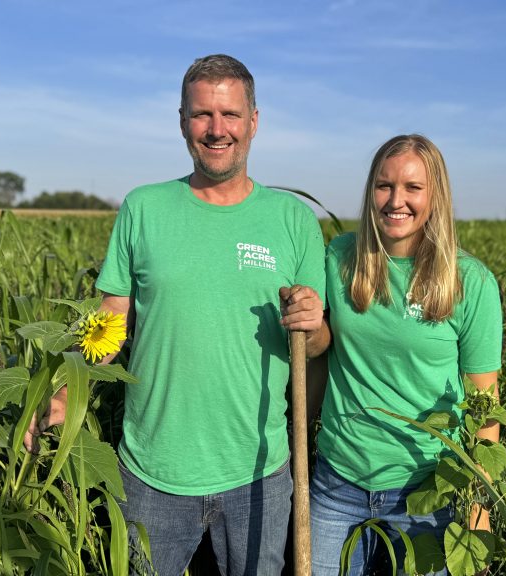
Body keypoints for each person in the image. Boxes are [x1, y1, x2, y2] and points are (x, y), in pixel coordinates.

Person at [23, 54, 329, 576]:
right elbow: (111, 321)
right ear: (182, 120)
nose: (217, 130)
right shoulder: (143, 208)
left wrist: (312, 323)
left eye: (230, 114)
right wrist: (64, 393)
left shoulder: (294, 220)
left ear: (254, 121)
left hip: (259, 471)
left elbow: (317, 342)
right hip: (152, 472)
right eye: (201, 114)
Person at [309, 135, 503, 575]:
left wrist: (479, 506)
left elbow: (484, 405)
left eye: (413, 187)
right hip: (337, 481)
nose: (396, 200)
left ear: (435, 195)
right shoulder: (340, 257)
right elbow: (318, 351)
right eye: (384, 185)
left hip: (426, 493)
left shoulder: (470, 283)